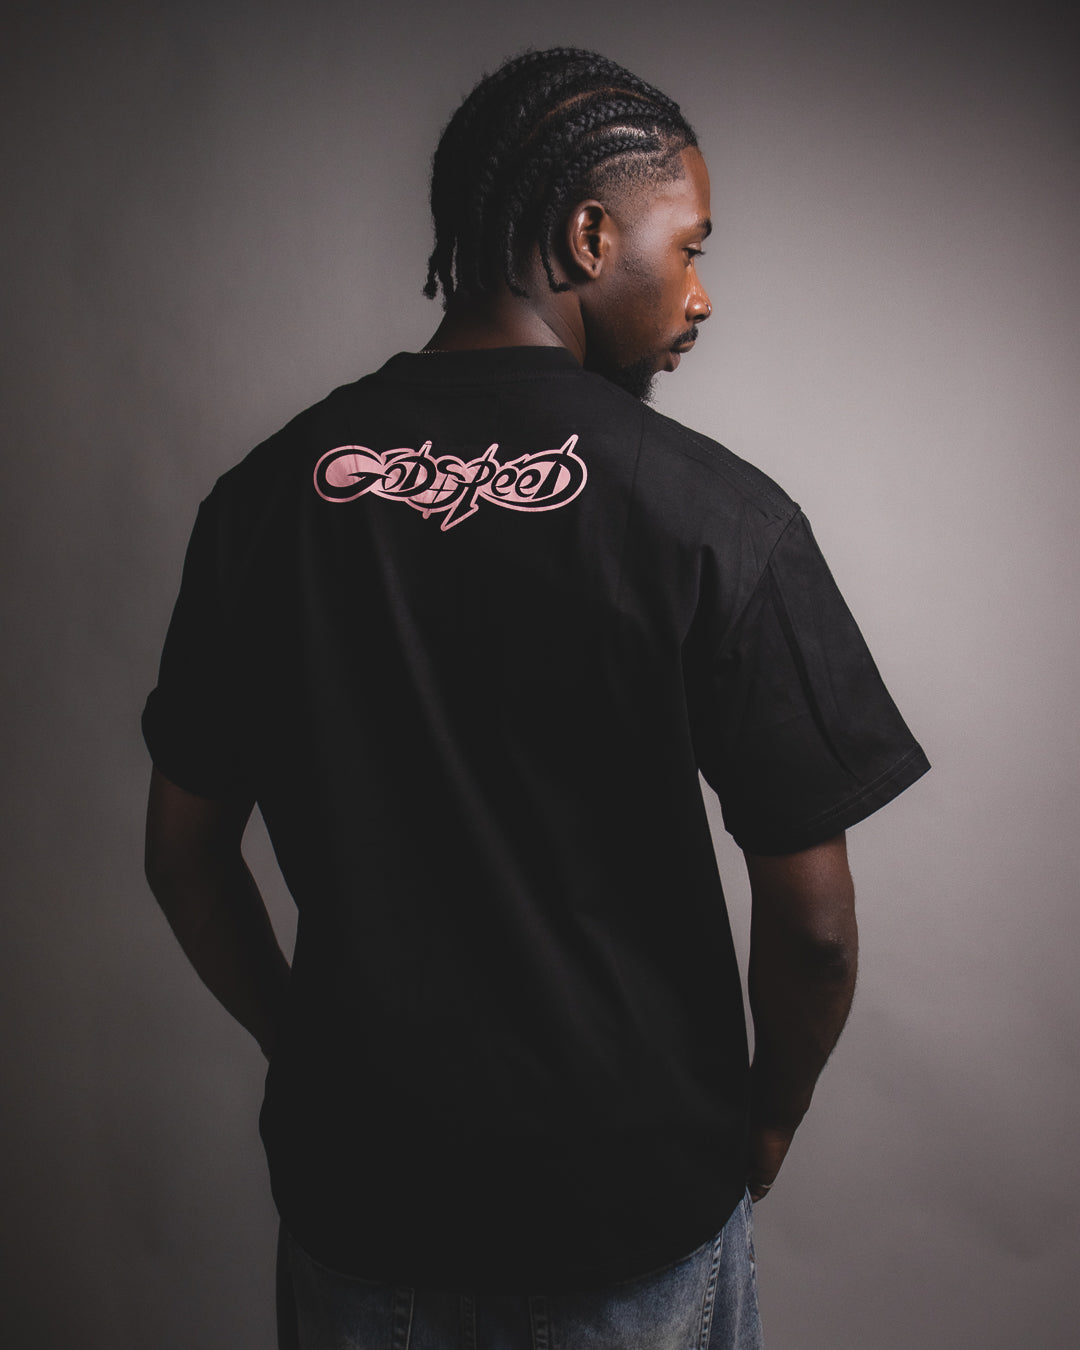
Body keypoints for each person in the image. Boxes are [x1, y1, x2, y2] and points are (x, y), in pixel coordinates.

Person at [142, 47, 929, 1349]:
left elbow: (182, 856)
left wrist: (308, 1050)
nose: (702, 296)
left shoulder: (261, 503)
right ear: (588, 236)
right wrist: (769, 1116)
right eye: (690, 248)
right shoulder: (716, 517)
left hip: (365, 1196)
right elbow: (817, 932)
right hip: (633, 1204)